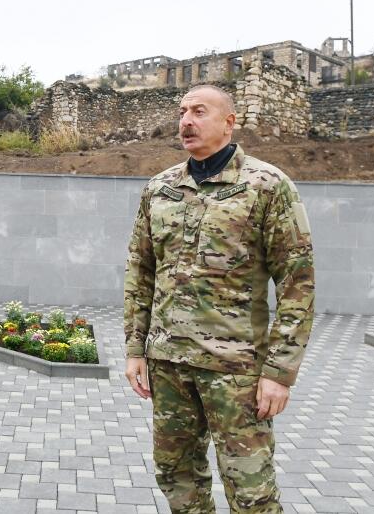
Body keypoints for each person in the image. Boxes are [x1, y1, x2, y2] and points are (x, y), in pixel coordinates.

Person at [123, 85, 314, 513]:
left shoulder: (266, 186)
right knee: (176, 476)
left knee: (250, 490)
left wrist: (279, 372)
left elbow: (297, 281)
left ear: (229, 122)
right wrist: (136, 349)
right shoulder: (160, 188)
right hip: (169, 363)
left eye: (199, 112)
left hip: (236, 369)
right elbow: (141, 270)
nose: (186, 120)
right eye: (182, 112)